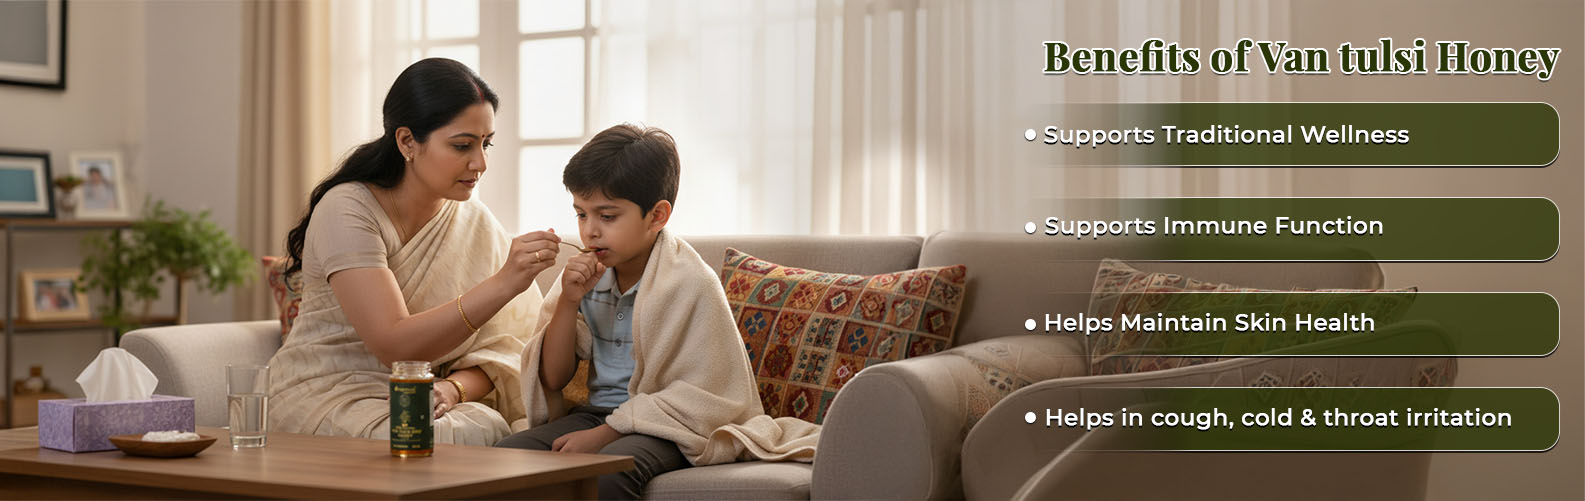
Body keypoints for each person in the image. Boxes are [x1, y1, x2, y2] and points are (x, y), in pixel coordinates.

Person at [497, 124, 820, 499]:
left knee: (607, 472)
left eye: (607, 216)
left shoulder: (690, 281)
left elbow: (704, 396)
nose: (590, 232)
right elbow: (553, 379)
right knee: (505, 457)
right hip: (595, 414)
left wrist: (604, 435)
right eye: (581, 215)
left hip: (667, 426)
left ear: (657, 216)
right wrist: (568, 302)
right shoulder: (585, 278)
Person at [268, 58, 563, 446]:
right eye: (462, 146)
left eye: (486, 144)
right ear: (407, 141)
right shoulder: (348, 209)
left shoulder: (474, 220)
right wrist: (505, 283)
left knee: (486, 427)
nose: (480, 163)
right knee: (429, 437)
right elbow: (394, 346)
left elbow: (507, 350)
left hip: (426, 396)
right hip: (328, 393)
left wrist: (454, 388)